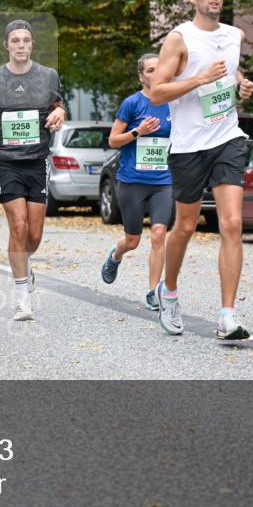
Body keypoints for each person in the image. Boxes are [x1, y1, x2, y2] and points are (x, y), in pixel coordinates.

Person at [148, 0, 253, 339]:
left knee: (232, 223)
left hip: (227, 138)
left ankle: (228, 316)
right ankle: (170, 291)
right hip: (189, 145)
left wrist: (241, 86)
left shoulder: (233, 35)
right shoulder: (180, 40)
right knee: (186, 227)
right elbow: (156, 93)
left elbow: (232, 72)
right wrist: (198, 79)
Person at [0, 20, 66, 321]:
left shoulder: (48, 76)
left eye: (26, 40)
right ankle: (22, 297)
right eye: (15, 40)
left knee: (33, 236)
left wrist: (60, 111)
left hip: (37, 162)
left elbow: (58, 107)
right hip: (6, 162)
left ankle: (25, 264)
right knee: (18, 227)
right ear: (6, 46)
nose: (21, 45)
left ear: (32, 44)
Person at [100, 53, 174, 312]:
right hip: (132, 181)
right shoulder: (132, 104)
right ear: (142, 76)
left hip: (163, 181)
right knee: (133, 240)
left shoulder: (173, 103)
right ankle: (115, 255)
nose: (156, 74)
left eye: (160, 69)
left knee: (158, 234)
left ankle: (153, 292)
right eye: (150, 70)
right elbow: (113, 140)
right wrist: (137, 132)